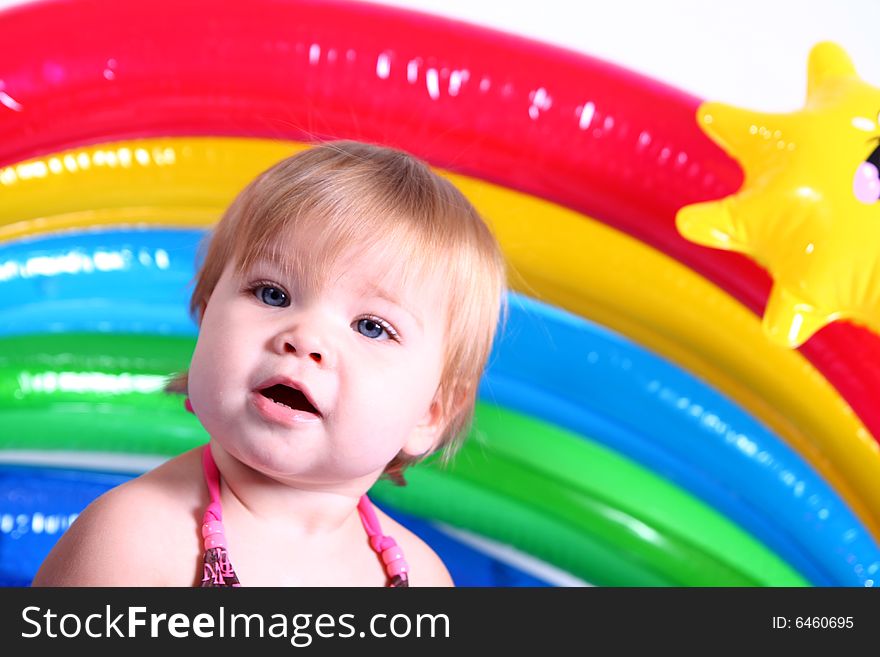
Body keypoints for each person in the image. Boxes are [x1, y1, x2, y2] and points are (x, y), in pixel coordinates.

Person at [32, 141, 507, 587]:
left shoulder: (420, 578)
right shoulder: (135, 542)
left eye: (371, 326)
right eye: (272, 294)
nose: (305, 338)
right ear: (204, 313)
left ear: (430, 414)